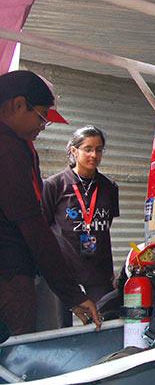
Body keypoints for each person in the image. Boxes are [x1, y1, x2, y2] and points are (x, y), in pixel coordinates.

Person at [0, 70, 101, 335]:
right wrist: (72, 294)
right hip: (9, 276)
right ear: (17, 105)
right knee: (15, 358)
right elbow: (32, 224)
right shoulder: (8, 149)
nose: (42, 126)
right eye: (42, 116)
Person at [42, 125, 120, 326]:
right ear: (73, 151)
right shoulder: (54, 185)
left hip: (98, 271)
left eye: (99, 149)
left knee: (102, 322)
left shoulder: (109, 188)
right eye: (88, 149)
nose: (94, 155)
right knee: (60, 328)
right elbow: (44, 226)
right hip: (64, 270)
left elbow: (105, 224)